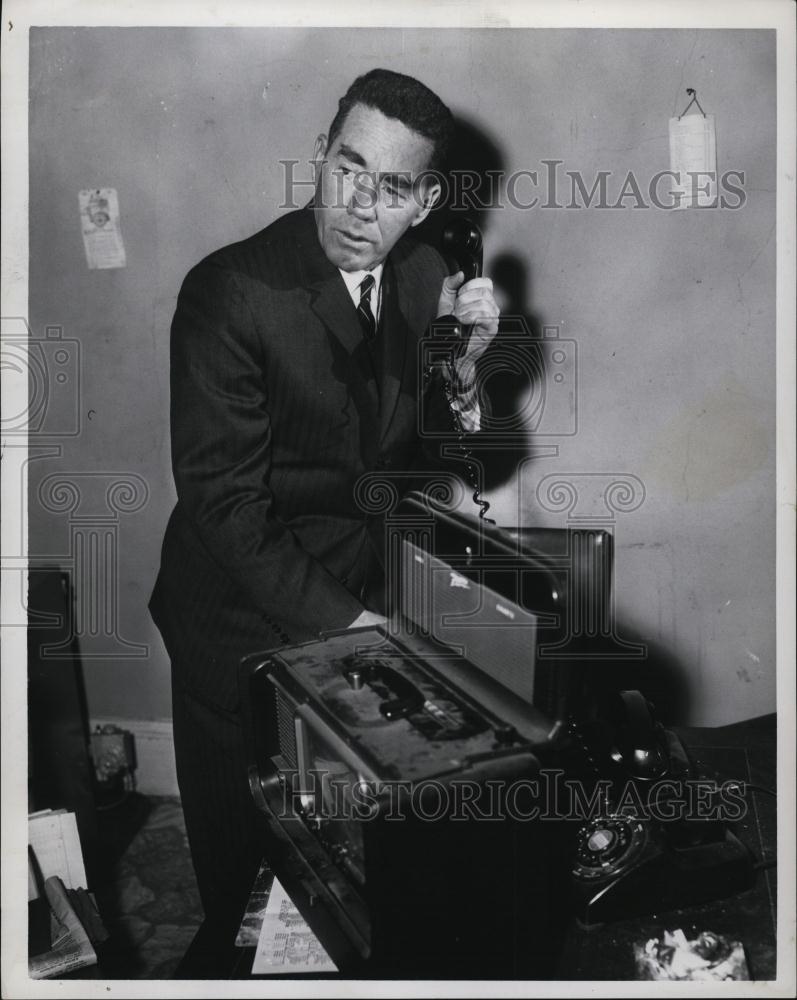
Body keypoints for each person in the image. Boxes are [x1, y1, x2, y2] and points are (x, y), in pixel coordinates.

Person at [149, 68, 499, 954]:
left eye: (389, 187)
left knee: (342, 866)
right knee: (248, 886)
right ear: (319, 153)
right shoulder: (230, 292)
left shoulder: (422, 276)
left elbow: (414, 454)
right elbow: (225, 506)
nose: (355, 203)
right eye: (347, 166)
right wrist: (357, 626)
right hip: (236, 620)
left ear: (422, 204)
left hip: (353, 600)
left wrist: (461, 377)